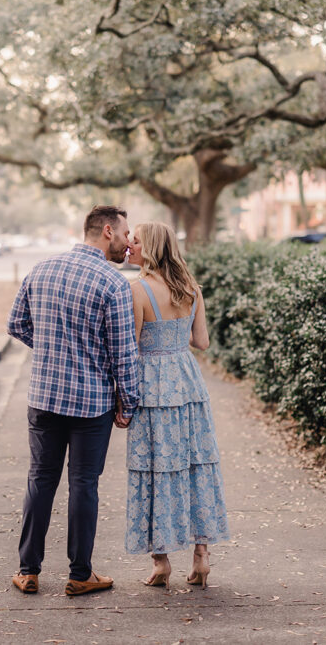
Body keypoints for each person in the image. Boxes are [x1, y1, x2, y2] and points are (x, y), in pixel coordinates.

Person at [7, 206, 141, 597]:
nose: (127, 244)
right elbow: (123, 353)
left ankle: (28, 571)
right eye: (124, 234)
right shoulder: (112, 283)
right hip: (91, 404)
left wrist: (51, 350)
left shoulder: (42, 269)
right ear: (107, 231)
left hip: (45, 398)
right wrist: (128, 403)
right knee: (84, 484)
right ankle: (80, 574)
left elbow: (16, 323)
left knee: (40, 480)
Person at [117, 222, 230, 589]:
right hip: (188, 383)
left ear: (149, 248)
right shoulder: (191, 288)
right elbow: (202, 342)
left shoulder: (137, 290)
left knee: (156, 468)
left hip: (153, 387)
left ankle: (161, 561)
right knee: (196, 464)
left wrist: (123, 396)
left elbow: (131, 349)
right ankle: (201, 556)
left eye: (134, 242)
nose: (128, 246)